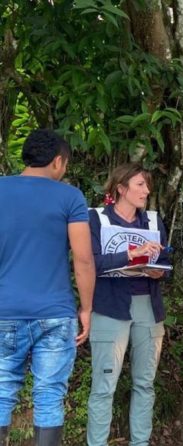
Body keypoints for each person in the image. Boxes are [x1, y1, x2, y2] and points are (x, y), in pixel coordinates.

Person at [0, 129, 95, 445]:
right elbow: (82, 259)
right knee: (50, 395)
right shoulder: (69, 197)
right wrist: (87, 308)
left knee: (1, 391)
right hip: (55, 314)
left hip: (4, 312)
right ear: (58, 161)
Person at [86, 163, 171, 446]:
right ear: (120, 188)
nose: (147, 191)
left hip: (148, 304)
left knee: (145, 383)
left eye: (147, 185)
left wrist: (159, 269)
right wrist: (132, 254)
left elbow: (166, 262)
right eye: (140, 185)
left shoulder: (153, 220)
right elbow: (92, 263)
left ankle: (141, 442)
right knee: (103, 386)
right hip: (110, 306)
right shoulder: (96, 218)